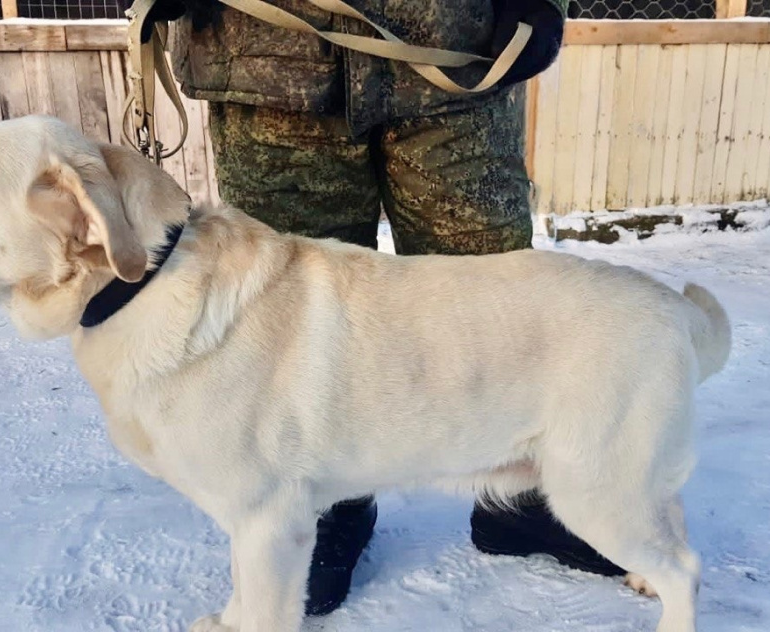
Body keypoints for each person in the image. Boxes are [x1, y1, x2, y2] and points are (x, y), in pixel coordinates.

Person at [120, 0, 626, 617]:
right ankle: (323, 506)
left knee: (490, 301)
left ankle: (521, 503)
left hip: (455, 55)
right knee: (286, 322)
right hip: (272, 59)